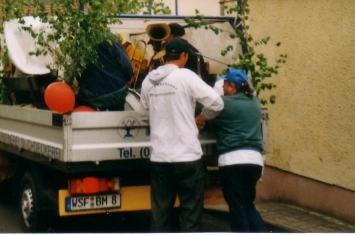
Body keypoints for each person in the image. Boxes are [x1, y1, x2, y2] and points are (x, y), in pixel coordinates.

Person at [140, 38, 224, 232]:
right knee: (190, 215)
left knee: (160, 215)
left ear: (165, 56)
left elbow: (144, 116)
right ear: (184, 55)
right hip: (187, 156)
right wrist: (201, 117)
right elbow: (217, 103)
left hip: (160, 158)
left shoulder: (148, 81)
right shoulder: (186, 76)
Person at [196, 68, 267, 233]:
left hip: (232, 161)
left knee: (237, 208)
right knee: (247, 204)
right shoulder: (255, 103)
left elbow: (202, 107)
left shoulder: (224, 104)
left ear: (232, 86)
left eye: (224, 84)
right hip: (255, 161)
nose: (222, 88)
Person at [77, 35, 134, 111]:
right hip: (117, 91)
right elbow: (126, 65)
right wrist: (128, 78)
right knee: (117, 116)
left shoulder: (79, 41)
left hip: (93, 96)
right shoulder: (110, 37)